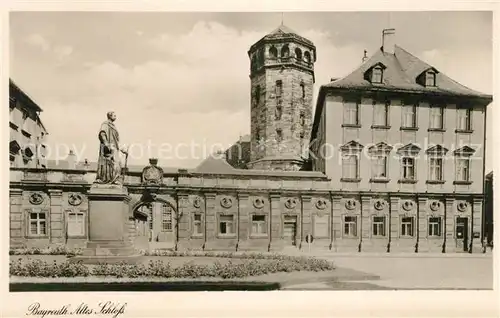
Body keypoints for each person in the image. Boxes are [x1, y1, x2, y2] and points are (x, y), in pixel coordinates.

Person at [95, 111, 128, 185]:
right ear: (109, 116)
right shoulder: (105, 124)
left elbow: (116, 141)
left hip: (114, 148)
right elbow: (102, 134)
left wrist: (123, 150)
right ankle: (106, 179)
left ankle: (114, 179)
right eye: (114, 115)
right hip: (108, 148)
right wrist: (107, 144)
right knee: (110, 163)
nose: (115, 117)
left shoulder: (113, 126)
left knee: (117, 164)